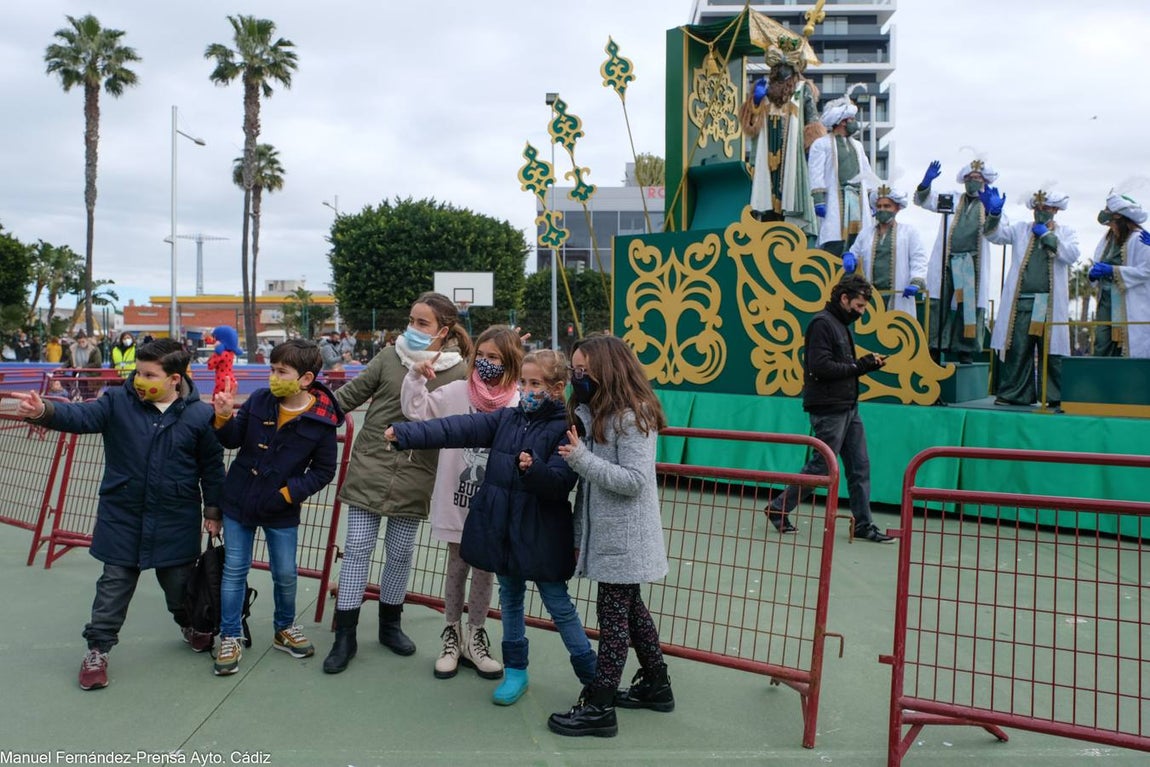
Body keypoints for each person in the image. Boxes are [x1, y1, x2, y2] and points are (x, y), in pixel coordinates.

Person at [387, 349, 599, 706]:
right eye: (524, 382)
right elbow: (456, 428)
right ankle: (516, 671)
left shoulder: (567, 429)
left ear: (557, 387)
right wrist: (407, 434)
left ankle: (593, 676)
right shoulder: (507, 419)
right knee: (511, 600)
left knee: (559, 605)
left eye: (536, 384)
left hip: (543, 535)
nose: (528, 390)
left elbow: (560, 484)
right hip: (503, 529)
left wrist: (533, 470)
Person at [11, 339, 225, 690]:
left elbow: (212, 468)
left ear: (174, 378)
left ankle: (191, 624)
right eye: (137, 372)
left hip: (175, 517)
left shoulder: (200, 415)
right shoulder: (116, 402)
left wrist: (213, 510)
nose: (139, 380)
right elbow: (79, 416)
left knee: (179, 587)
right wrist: (43, 411)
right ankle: (98, 649)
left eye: (149, 374)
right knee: (113, 587)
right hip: (122, 515)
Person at [322, 292, 471, 674]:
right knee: (356, 548)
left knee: (402, 552)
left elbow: (484, 404)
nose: (414, 329)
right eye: (412, 320)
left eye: (423, 323)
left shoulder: (459, 371)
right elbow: (349, 396)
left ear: (445, 330)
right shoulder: (390, 356)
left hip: (418, 471)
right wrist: (307, 412)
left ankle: (391, 624)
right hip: (371, 462)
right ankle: (346, 634)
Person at [543, 335, 670, 738]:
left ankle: (600, 706)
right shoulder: (596, 413)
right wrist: (581, 532)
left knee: (613, 618)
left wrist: (580, 458)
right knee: (631, 612)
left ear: (608, 369)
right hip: (609, 536)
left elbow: (633, 480)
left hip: (626, 539)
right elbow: (590, 491)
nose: (577, 377)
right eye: (574, 370)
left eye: (584, 370)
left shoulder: (633, 417)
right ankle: (656, 684)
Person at [209, 339, 345, 676]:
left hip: (281, 509)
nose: (272, 376)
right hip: (239, 500)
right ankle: (229, 635)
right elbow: (233, 440)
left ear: (306, 378)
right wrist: (224, 418)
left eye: (281, 371)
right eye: (271, 369)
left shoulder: (322, 420)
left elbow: (324, 470)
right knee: (234, 570)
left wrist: (287, 494)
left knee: (285, 572)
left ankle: (284, 627)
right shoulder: (259, 400)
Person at [399, 325, 523, 681]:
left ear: (510, 361)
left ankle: (475, 636)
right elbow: (417, 412)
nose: (485, 363)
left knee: (485, 567)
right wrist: (416, 377)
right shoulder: (456, 392)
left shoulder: (517, 400)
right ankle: (451, 634)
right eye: (480, 356)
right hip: (457, 497)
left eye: (494, 357)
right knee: (457, 562)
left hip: (495, 501)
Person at [764, 274, 894, 544]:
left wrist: (863, 364)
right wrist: (862, 366)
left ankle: (862, 523)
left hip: (847, 406)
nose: (860, 312)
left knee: (859, 467)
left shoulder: (838, 323)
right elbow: (820, 367)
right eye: (858, 306)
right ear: (844, 299)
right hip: (829, 408)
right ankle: (779, 507)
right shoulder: (823, 323)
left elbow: (837, 366)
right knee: (822, 466)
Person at [983, 186, 1080, 407]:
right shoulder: (1019, 229)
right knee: (1018, 348)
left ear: (1055, 210)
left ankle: (1054, 397)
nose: (1040, 211)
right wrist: (994, 214)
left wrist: (1047, 236)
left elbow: (1072, 254)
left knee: (1051, 351)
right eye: (1037, 207)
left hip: (1048, 304)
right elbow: (993, 235)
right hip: (1022, 301)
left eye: (1045, 208)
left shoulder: (1066, 232)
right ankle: (1015, 395)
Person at [914, 158, 998, 363]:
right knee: (939, 302)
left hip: (972, 261)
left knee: (967, 306)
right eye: (969, 178)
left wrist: (994, 212)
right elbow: (925, 201)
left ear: (985, 181)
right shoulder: (953, 198)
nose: (973, 181)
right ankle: (934, 345)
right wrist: (926, 184)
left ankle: (965, 349)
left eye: (977, 178)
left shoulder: (988, 203)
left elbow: (998, 231)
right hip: (947, 259)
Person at [738, 33, 824, 233]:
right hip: (766, 151)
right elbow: (750, 125)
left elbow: (812, 123)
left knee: (790, 197)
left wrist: (811, 153)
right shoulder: (764, 89)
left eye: (786, 66)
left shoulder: (803, 89)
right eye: (778, 66)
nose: (781, 70)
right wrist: (756, 102)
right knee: (765, 200)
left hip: (792, 155)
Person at [842, 185, 929, 316]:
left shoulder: (909, 232)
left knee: (897, 330)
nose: (882, 209)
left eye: (887, 206)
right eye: (879, 206)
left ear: (897, 208)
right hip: (871, 296)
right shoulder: (866, 233)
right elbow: (854, 252)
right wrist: (849, 257)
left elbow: (919, 258)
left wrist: (916, 281)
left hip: (899, 294)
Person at [808, 96, 874, 255]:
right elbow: (815, 173)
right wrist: (818, 200)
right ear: (842, 121)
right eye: (852, 119)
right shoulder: (821, 144)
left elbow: (867, 173)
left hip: (858, 200)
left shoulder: (857, 146)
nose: (854, 122)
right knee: (835, 240)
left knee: (859, 240)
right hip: (835, 200)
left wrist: (873, 199)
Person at [1088, 192, 1150, 358]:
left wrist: (1114, 271)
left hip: (1128, 303)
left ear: (1118, 216)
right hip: (1105, 303)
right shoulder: (1106, 239)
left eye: (1108, 210)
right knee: (1101, 344)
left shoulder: (1139, 239)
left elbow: (1146, 271)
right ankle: (1101, 384)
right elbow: (1097, 262)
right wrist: (1092, 275)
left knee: (1123, 346)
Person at [67, 329, 104, 399]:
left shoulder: (94, 350)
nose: (81, 343)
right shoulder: (73, 349)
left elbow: (97, 363)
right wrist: (62, 367)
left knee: (84, 382)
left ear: (86, 340)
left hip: (92, 374)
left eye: (83, 341)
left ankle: (88, 399)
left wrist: (83, 367)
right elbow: (69, 361)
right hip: (77, 374)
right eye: (79, 342)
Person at [206, 326, 241, 397]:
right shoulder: (231, 353)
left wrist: (214, 354)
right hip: (231, 379)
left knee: (216, 400)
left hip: (222, 380)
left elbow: (210, 366)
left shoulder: (220, 354)